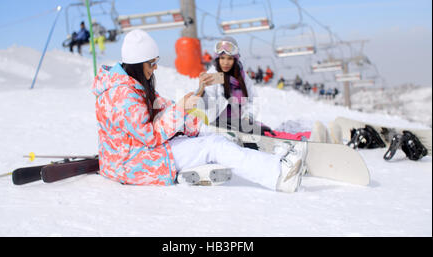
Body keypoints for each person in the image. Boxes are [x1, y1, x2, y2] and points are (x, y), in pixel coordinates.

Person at [92, 29, 306, 193]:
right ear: (138, 64)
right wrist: (181, 110)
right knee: (213, 146)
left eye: (156, 62)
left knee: (211, 137)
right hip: (134, 163)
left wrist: (191, 120)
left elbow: (161, 108)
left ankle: (264, 159)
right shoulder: (123, 95)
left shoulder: (131, 85)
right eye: (152, 63)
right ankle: (279, 174)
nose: (155, 67)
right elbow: (150, 135)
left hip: (136, 155)